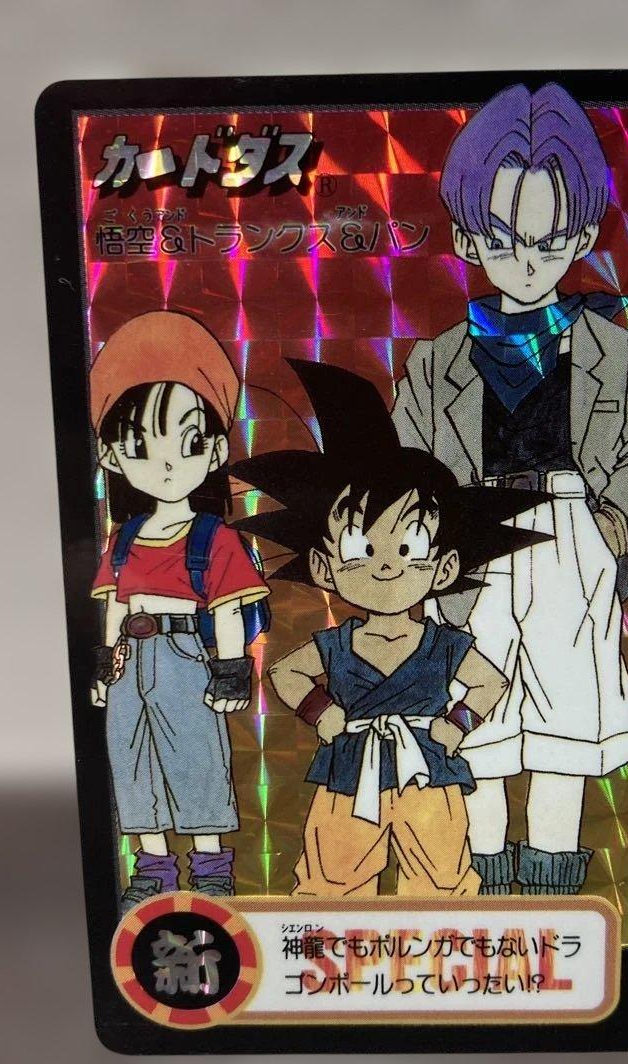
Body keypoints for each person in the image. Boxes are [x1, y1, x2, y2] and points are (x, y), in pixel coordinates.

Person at [392, 83, 628, 895]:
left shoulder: (620, 352)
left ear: (581, 236)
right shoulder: (435, 362)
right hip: (469, 544)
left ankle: (552, 897)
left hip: (571, 541)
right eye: (501, 238)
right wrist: (434, 552)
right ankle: (484, 890)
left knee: (565, 730)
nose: (525, 260)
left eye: (549, 241)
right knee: (473, 729)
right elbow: (408, 464)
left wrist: (611, 529)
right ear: (468, 238)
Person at [232, 359, 551, 896]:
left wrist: (457, 724)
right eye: (359, 546)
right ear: (324, 567)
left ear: (444, 568)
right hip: (348, 771)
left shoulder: (443, 644)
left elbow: (489, 682)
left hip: (428, 773)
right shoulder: (337, 643)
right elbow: (285, 674)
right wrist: (321, 712)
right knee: (332, 882)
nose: (385, 565)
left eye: (409, 547)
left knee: (441, 883)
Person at [88, 311, 269, 908]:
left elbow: (226, 611)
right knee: (132, 758)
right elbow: (114, 605)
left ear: (215, 450)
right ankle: (153, 865)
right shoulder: (123, 537)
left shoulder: (215, 537)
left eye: (187, 443)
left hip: (186, 653)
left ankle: (211, 864)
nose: (165, 463)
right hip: (130, 659)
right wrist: (103, 664)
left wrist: (231, 672)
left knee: (196, 757)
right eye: (141, 445)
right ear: (112, 455)